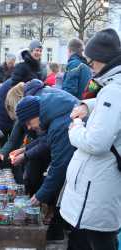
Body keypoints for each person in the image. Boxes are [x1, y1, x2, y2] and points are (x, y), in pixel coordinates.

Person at [60, 28, 121, 250]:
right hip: (101, 182)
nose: (90, 65)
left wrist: (74, 127)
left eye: (92, 61)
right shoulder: (112, 87)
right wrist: (88, 105)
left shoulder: (113, 90)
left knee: (100, 240)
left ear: (103, 59)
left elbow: (97, 142)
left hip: (100, 184)